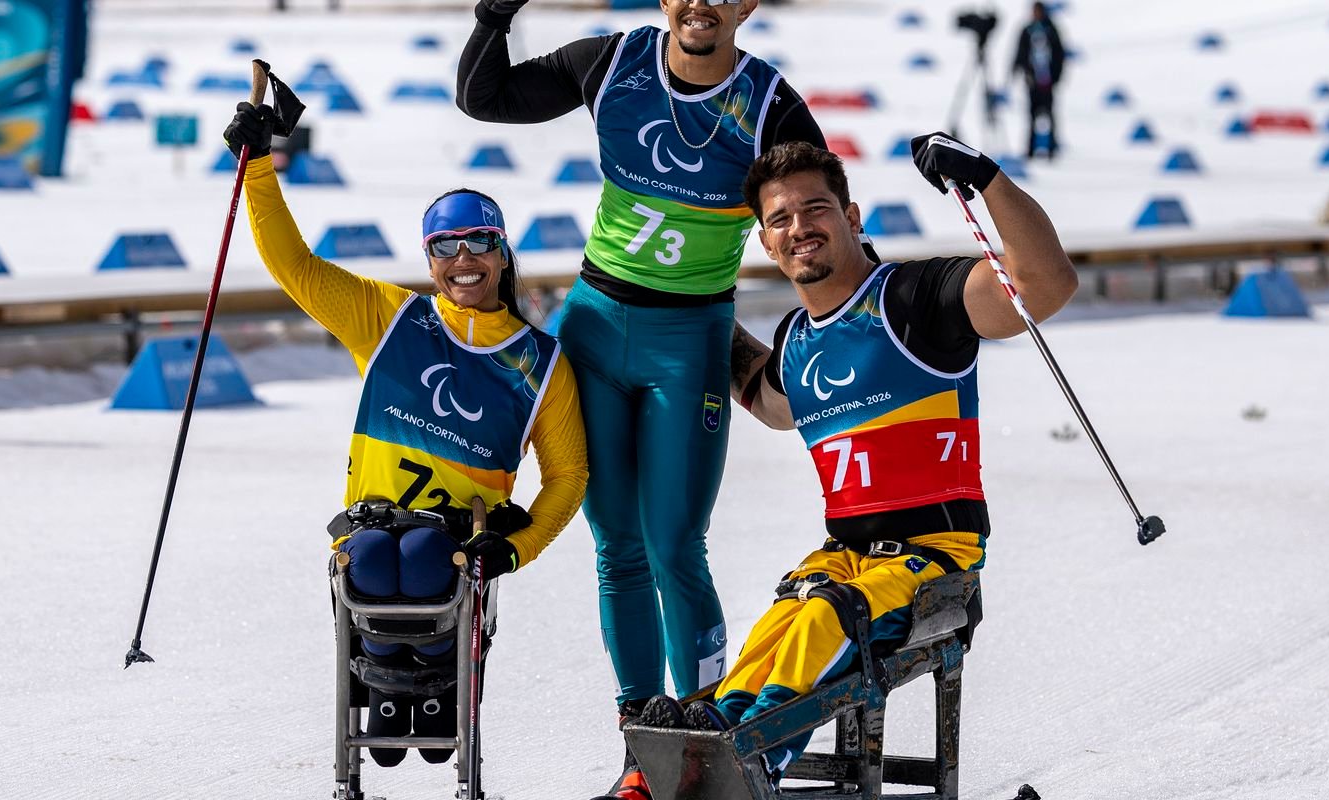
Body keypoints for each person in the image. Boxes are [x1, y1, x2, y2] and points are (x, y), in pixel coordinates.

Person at [456, 3, 825, 796]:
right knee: (616, 548)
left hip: (688, 342)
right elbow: (485, 99)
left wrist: (839, 326)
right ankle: (639, 756)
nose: (699, 3)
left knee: (672, 546)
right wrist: (493, 17)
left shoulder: (769, 105)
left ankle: (700, 743)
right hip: (592, 328)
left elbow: (809, 219)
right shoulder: (611, 62)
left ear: (746, 6)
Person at [632, 134, 1079, 788]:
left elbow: (1047, 284)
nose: (798, 228)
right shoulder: (797, 338)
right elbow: (769, 397)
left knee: (822, 618)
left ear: (851, 217)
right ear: (766, 242)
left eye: (814, 209)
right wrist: (693, 307)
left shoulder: (917, 299)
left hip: (936, 559)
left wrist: (986, 178)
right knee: (779, 625)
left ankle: (742, 760)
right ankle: (705, 733)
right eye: (779, 219)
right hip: (844, 560)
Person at [223, 103, 588, 767]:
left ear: (504, 253)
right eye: (443, 247)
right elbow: (297, 268)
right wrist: (259, 170)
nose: (463, 259)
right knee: (367, 561)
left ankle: (429, 682)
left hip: (452, 538)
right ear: (429, 259)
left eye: (478, 241)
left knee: (422, 556)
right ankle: (387, 684)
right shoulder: (392, 319)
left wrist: (518, 549)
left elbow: (569, 477)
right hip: (373, 525)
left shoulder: (542, 362)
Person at [1011, 1, 1066, 160]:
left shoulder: (1051, 30)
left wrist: (1056, 77)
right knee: (1031, 116)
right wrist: (1017, 69)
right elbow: (1020, 52)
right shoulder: (1027, 30)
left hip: (1048, 81)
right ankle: (1030, 149)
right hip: (1032, 81)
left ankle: (1051, 148)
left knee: (1049, 115)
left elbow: (1059, 55)